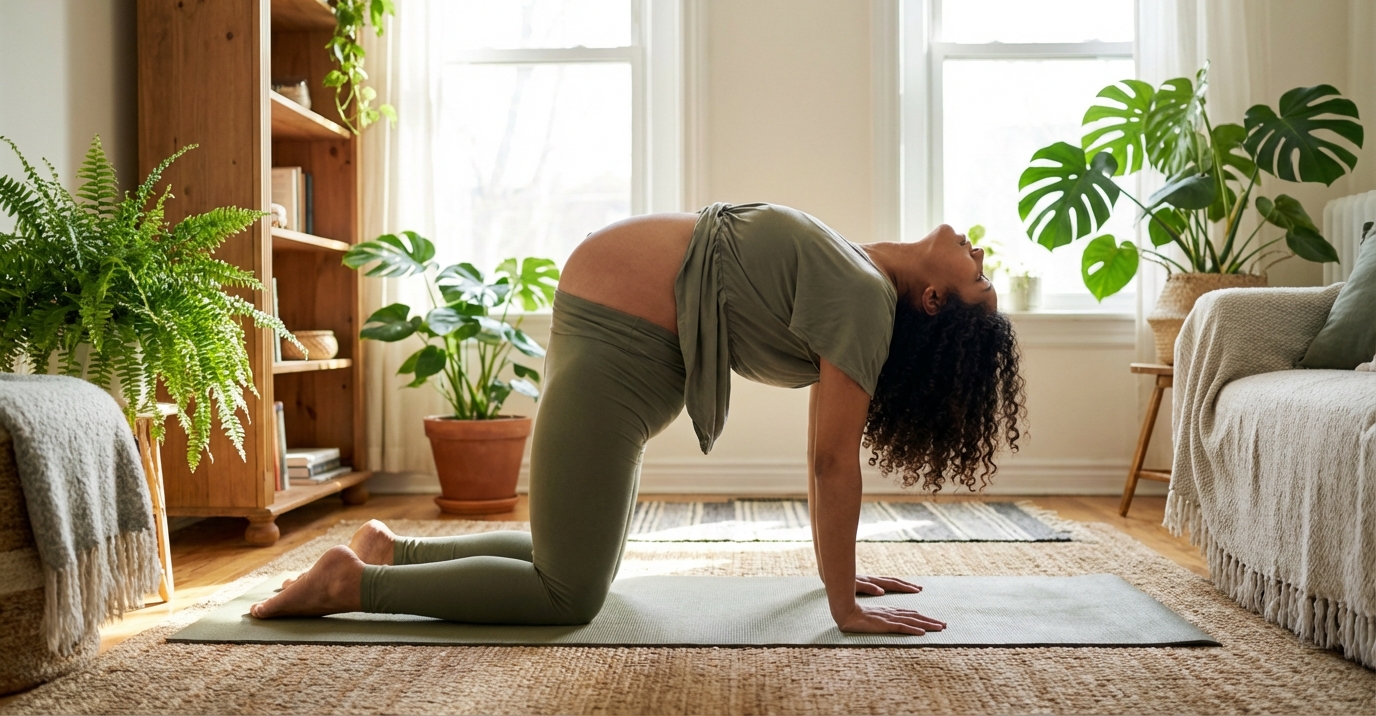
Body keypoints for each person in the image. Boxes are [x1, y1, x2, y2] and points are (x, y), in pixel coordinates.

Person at [251, 202, 1025, 635]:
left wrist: (841, 593)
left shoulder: (862, 300)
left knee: (578, 569)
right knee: (570, 594)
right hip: (619, 345)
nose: (979, 253)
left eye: (978, 280)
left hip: (626, 354)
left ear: (933, 302)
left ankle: (391, 551)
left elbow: (828, 459)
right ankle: (356, 586)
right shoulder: (858, 277)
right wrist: (840, 591)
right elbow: (825, 458)